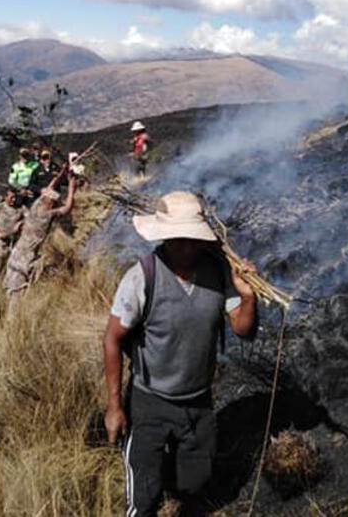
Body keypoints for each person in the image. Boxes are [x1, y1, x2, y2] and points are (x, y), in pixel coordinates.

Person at [103, 191, 258, 516]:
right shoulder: (141, 278)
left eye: (192, 239)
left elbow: (243, 330)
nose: (186, 247)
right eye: (178, 239)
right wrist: (115, 407)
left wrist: (248, 298)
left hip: (198, 402)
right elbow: (112, 340)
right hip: (149, 401)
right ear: (163, 237)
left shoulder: (218, 274)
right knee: (143, 497)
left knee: (194, 484)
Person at [3, 167, 75, 304]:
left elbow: (49, 188)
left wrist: (61, 174)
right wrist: (71, 186)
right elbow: (67, 208)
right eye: (53, 202)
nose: (54, 204)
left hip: (15, 254)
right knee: (16, 297)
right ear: (49, 203)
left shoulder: (35, 207)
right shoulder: (46, 216)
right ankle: (13, 323)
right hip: (25, 259)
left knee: (11, 288)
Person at [0, 187, 25, 278]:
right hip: (2, 241)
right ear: (5, 197)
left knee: (13, 266)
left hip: (16, 242)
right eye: (11, 197)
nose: (14, 200)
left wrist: (22, 223)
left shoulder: (21, 208)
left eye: (15, 197)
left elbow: (30, 218)